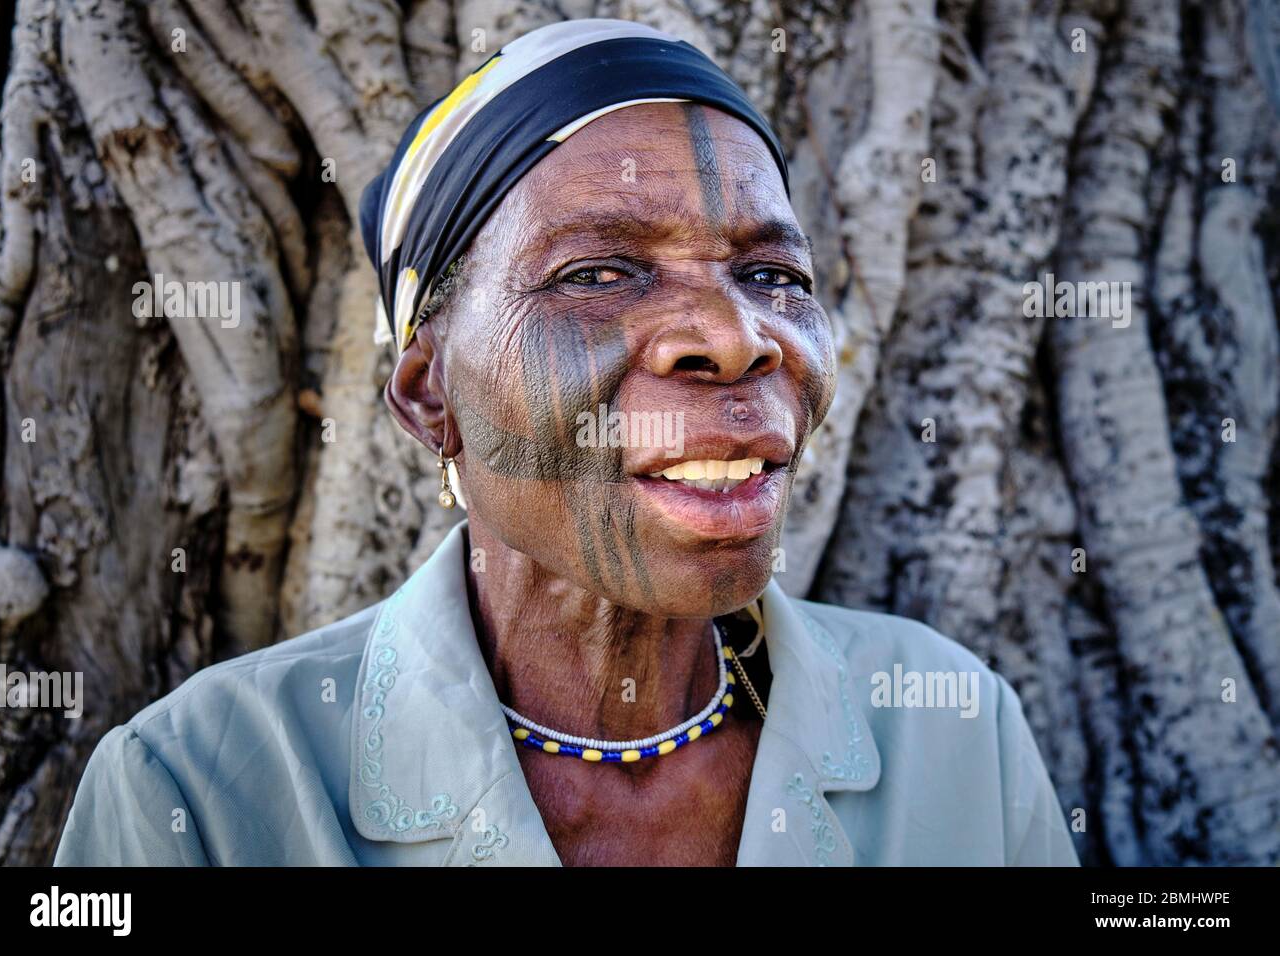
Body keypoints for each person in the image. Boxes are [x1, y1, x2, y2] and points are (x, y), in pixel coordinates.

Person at [54, 17, 1078, 867]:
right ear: (426, 397)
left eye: (772, 275)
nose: (733, 337)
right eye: (597, 274)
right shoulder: (199, 792)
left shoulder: (951, 735)